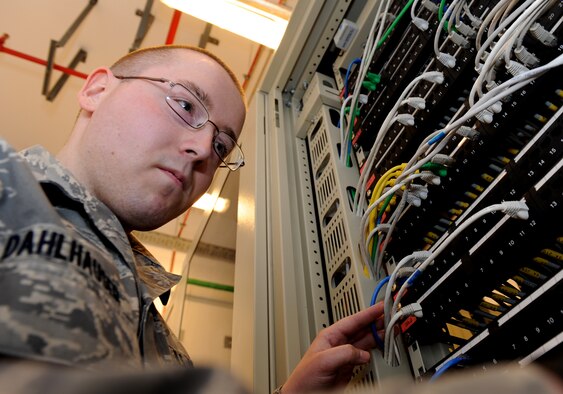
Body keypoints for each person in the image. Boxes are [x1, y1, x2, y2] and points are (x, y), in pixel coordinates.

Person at [0, 44, 385, 393]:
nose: (203, 149)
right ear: (97, 90)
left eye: (221, 146)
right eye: (185, 106)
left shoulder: (149, 315)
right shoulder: (8, 193)